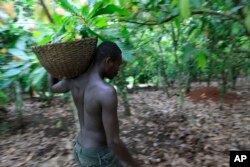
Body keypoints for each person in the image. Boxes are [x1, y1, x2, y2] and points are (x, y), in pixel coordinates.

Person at [48, 41, 139, 167]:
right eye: (118, 65)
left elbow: (52, 88)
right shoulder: (107, 92)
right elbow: (113, 141)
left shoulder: (74, 80)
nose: (118, 70)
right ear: (108, 62)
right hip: (98, 156)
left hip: (80, 150)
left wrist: (51, 66)